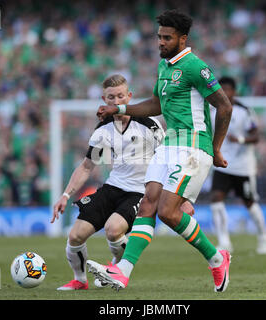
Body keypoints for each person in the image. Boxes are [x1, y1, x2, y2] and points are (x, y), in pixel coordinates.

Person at [87, 9, 233, 293]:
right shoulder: (165, 67)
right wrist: (118, 109)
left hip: (192, 145)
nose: (161, 42)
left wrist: (216, 148)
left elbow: (224, 106)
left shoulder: (195, 67)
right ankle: (123, 272)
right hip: (169, 145)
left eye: (167, 38)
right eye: (159, 37)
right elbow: (156, 105)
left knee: (168, 212)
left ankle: (217, 258)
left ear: (183, 39)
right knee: (147, 204)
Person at [50, 74, 192, 290]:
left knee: (113, 229)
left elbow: (169, 160)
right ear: (104, 100)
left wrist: (182, 198)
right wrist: (65, 195)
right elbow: (87, 166)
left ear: (129, 97)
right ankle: (80, 281)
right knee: (75, 235)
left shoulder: (149, 124)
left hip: (141, 192)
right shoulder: (102, 130)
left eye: (120, 96)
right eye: (111, 97)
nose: (116, 101)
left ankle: (117, 267)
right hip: (113, 186)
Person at [209, 76, 266, 255]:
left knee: (249, 202)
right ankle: (224, 241)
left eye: (228, 89)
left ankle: (263, 236)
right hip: (221, 164)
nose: (225, 93)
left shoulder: (244, 111)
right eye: (222, 89)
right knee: (215, 199)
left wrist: (240, 139)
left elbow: (256, 136)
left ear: (234, 91)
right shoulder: (213, 111)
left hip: (243, 166)